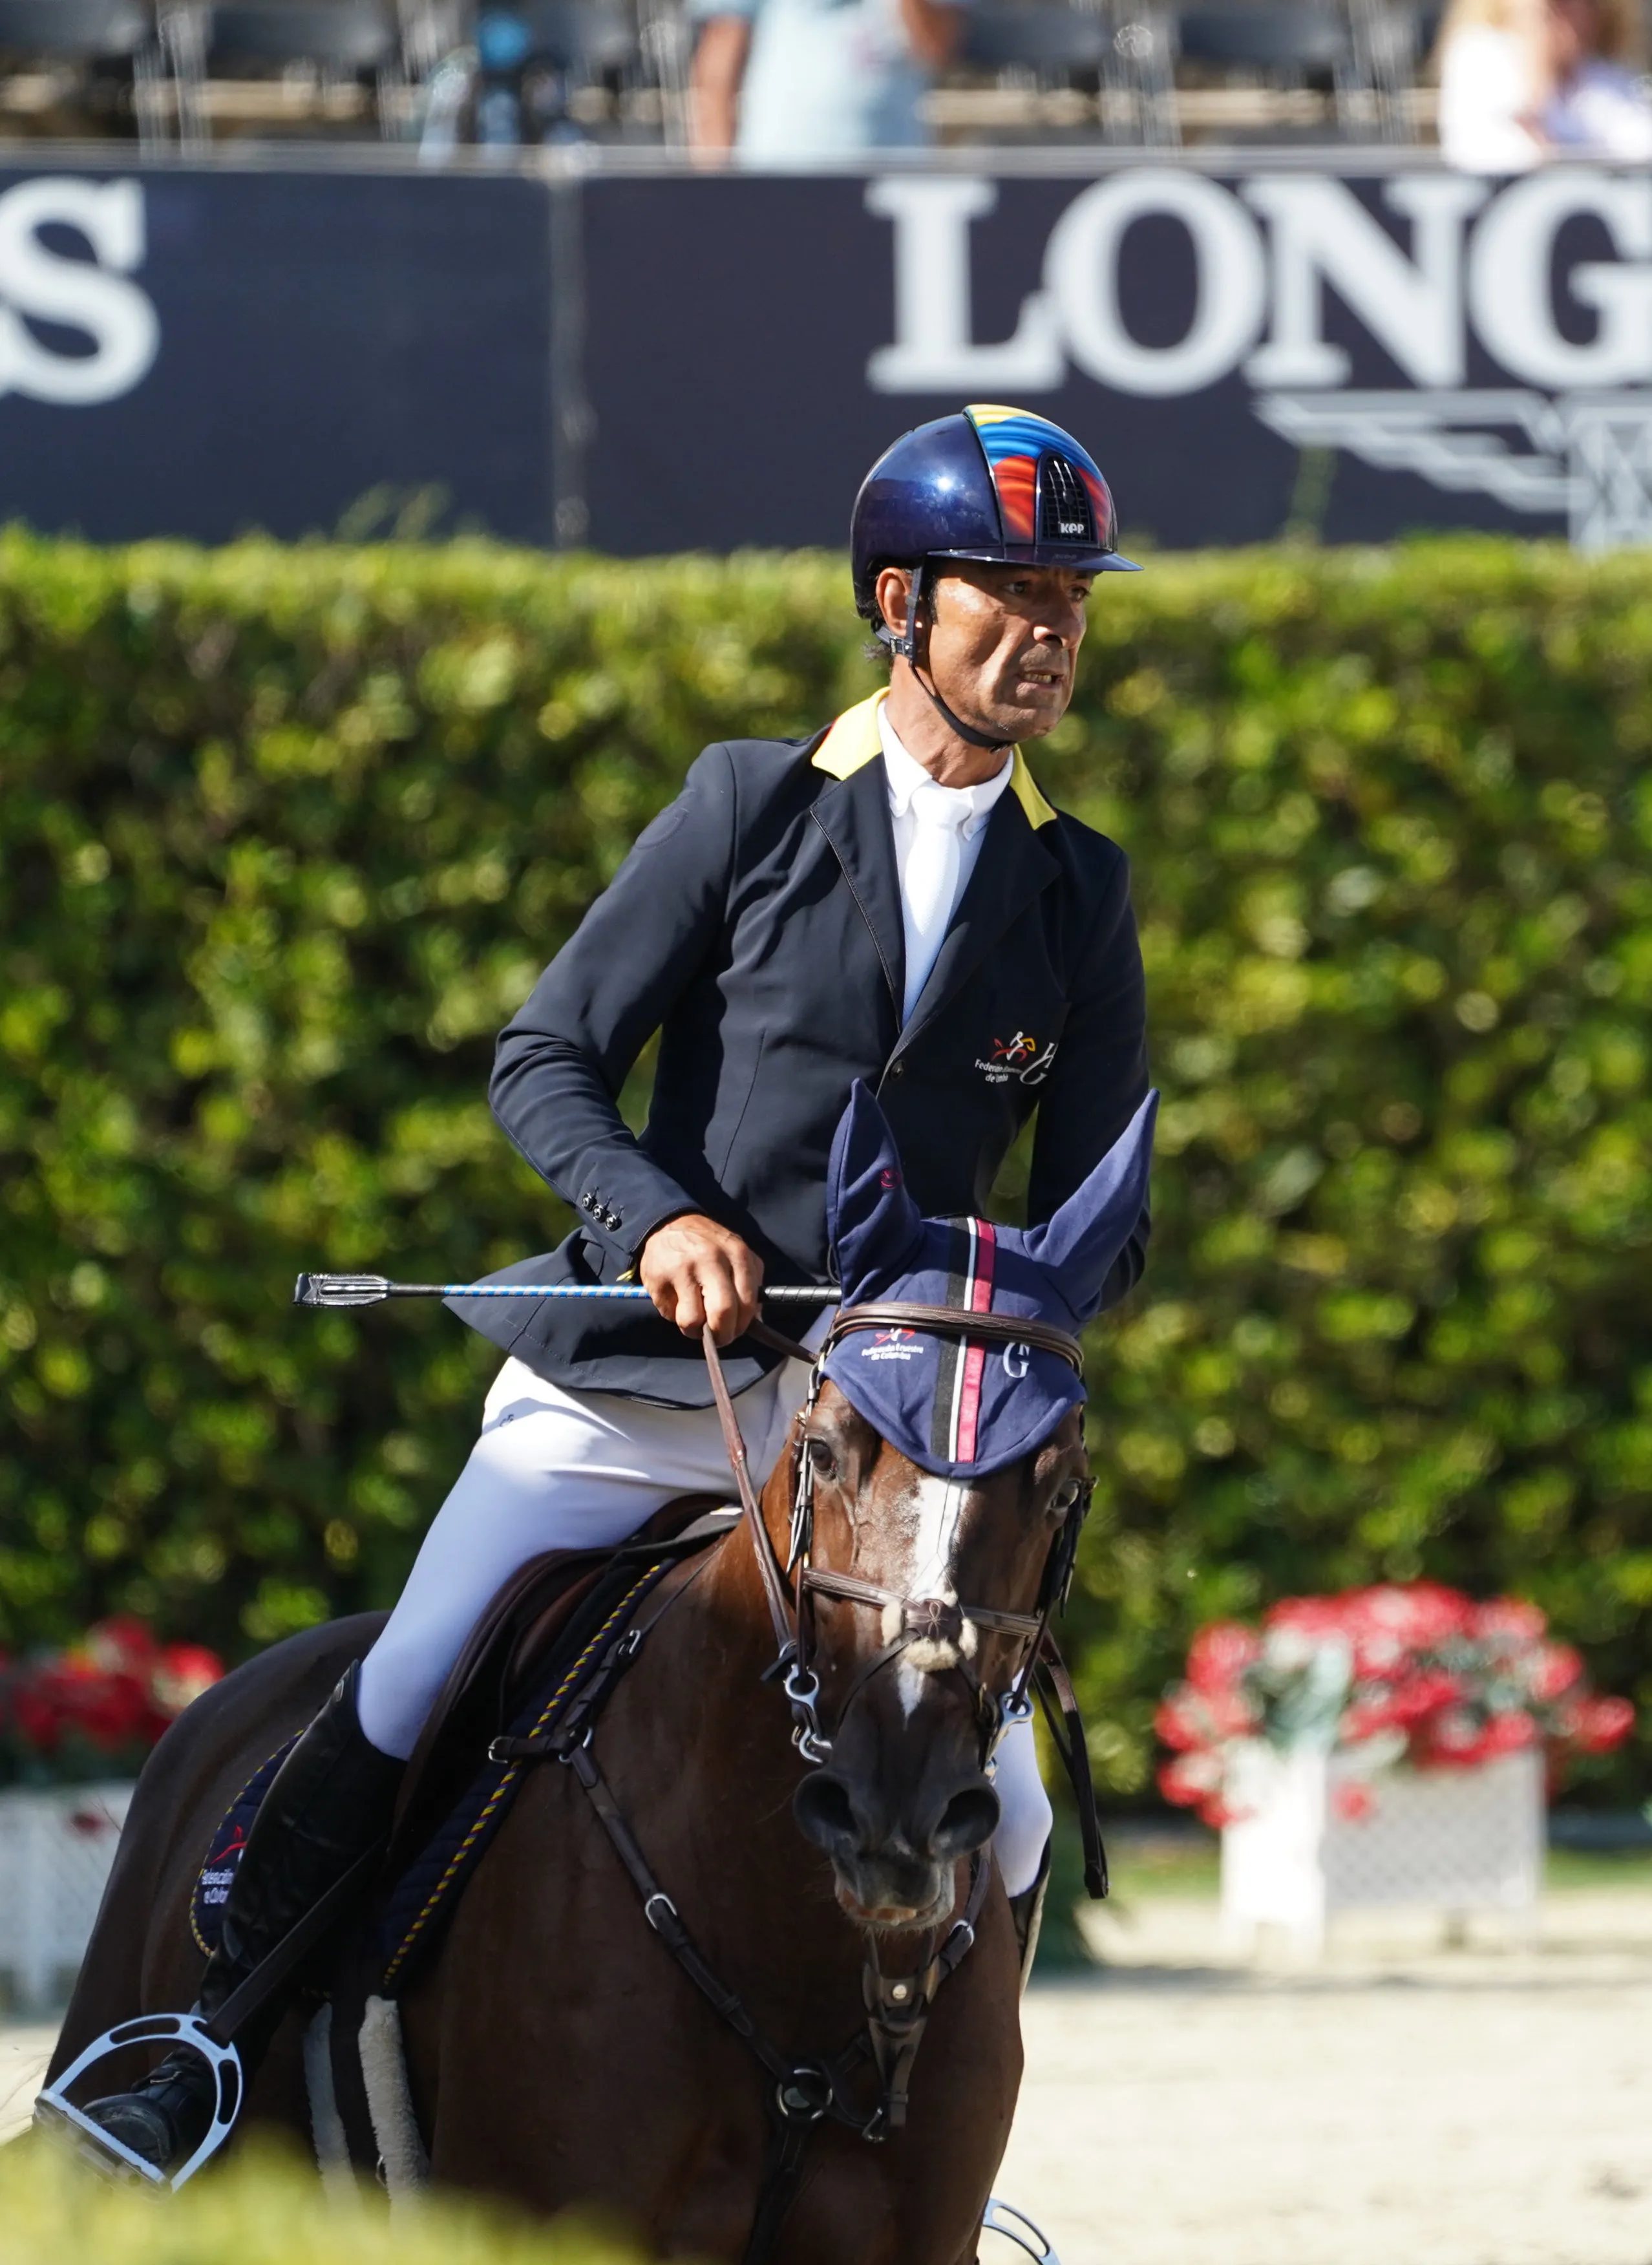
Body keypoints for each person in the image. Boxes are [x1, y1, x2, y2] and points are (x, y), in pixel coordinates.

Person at [83, 404, 1152, 2177]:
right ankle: (200, 2044)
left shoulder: (1074, 886)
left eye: (1069, 602)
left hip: (882, 1454)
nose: (1045, 634)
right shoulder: (748, 806)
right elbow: (547, 1058)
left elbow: (1104, 1212)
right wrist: (657, 1218)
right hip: (652, 1391)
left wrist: (986, 1326)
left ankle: (915, 2156)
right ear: (901, 603)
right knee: (414, 1673)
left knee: (1017, 1813)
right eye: (1007, 595)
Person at [688, 0, 967, 158]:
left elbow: (936, 48)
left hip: (893, 186)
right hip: (780, 177)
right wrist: (718, 186)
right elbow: (716, 72)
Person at [1436, 0, 1652, 169]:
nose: (1576, 12)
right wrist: (1537, 59)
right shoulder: (1478, 56)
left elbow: (1641, 149)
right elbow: (1517, 160)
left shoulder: (1608, 79)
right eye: (1556, 4)